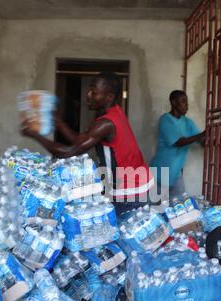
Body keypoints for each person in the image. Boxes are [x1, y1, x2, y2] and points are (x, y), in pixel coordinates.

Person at [21, 72, 154, 216]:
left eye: (94, 92)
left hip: (130, 191)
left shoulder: (105, 123)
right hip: (136, 184)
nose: (88, 95)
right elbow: (79, 140)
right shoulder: (113, 113)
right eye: (89, 90)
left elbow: (69, 151)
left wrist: (36, 135)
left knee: (118, 234)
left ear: (109, 96)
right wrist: (57, 122)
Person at [150, 90, 205, 198]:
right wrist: (201, 135)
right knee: (156, 209)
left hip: (175, 173)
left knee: (179, 207)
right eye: (183, 102)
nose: (186, 105)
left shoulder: (188, 122)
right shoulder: (165, 120)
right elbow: (179, 142)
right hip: (160, 171)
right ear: (174, 102)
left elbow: (201, 140)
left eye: (187, 102)